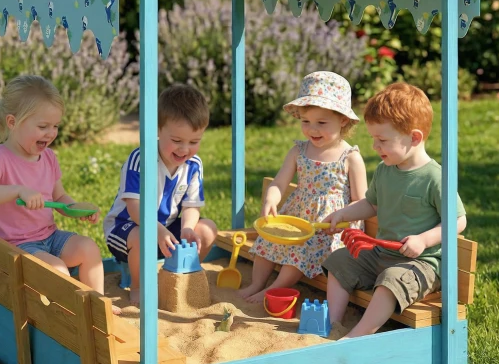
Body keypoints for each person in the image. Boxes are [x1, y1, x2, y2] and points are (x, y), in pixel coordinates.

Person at [322, 82, 467, 337]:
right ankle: (333, 323)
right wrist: (344, 214)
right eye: (373, 139)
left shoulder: (435, 177)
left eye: (382, 140)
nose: (375, 146)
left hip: (421, 264)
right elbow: (371, 204)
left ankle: (359, 335)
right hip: (381, 254)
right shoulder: (384, 170)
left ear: (414, 138)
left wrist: (423, 240)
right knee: (339, 261)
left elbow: (458, 221)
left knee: (391, 281)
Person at [0, 75, 110, 303]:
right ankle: (70, 316)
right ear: (12, 122)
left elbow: (60, 197)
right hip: (14, 245)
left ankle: (97, 306)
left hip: (49, 236)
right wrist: (17, 190)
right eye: (42, 126)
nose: (51, 133)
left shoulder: (48, 158)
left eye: (55, 126)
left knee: (88, 248)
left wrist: (77, 208)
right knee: (57, 270)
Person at [238, 71, 367, 303]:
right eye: (305, 121)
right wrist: (271, 198)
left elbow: (361, 201)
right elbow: (279, 183)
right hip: (297, 220)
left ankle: (273, 289)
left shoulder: (350, 157)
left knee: (301, 250)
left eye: (321, 123)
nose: (312, 130)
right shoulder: (299, 151)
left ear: (343, 120)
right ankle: (257, 284)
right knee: (267, 240)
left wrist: (342, 218)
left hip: (328, 229)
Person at [104, 84, 218, 306]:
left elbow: (191, 206)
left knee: (207, 229)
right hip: (127, 228)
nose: (184, 149)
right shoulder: (142, 159)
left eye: (194, 142)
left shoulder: (194, 164)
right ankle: (138, 286)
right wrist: (156, 230)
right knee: (143, 237)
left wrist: (187, 228)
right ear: (158, 129)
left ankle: (182, 274)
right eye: (176, 141)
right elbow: (134, 207)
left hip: (167, 228)